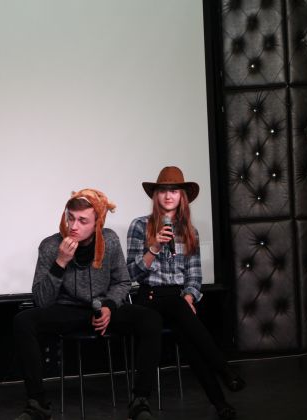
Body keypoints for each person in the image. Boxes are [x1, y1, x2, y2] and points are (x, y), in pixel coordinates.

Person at [13, 189, 163, 420]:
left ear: (97, 223)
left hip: (104, 306)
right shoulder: (51, 246)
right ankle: (37, 404)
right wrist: (60, 262)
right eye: (70, 218)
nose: (74, 226)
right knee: (23, 321)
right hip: (68, 309)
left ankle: (140, 400)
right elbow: (42, 301)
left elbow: (122, 282)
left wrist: (109, 306)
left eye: (82, 221)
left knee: (150, 319)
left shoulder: (109, 240)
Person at [126, 166, 245, 420]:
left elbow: (194, 275)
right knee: (178, 311)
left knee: (189, 338)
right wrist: (154, 247)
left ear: (182, 196)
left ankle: (220, 402)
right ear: (156, 195)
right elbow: (131, 274)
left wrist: (190, 296)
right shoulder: (139, 226)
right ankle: (225, 371)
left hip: (177, 299)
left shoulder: (190, 231)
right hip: (149, 297)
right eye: (163, 190)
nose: (169, 195)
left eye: (174, 190)